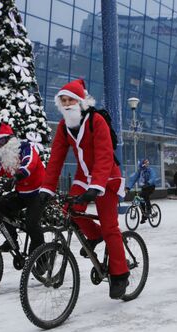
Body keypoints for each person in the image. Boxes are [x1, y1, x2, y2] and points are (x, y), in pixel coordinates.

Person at [37, 79, 129, 299]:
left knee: (110, 226)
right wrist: (46, 189)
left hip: (107, 177)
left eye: (71, 100)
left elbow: (105, 155)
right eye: (64, 100)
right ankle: (94, 236)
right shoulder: (64, 126)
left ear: (81, 101)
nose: (67, 104)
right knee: (69, 210)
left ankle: (120, 274)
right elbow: (56, 159)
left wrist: (96, 185)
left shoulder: (96, 120)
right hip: (83, 178)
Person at [0, 123, 45, 253]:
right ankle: (12, 241)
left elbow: (30, 162)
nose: (0, 145)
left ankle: (42, 257)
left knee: (31, 223)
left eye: (2, 141)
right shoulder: (3, 158)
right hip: (21, 193)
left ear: (11, 139)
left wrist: (17, 177)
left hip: (39, 193)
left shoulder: (26, 148)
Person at [126, 159, 158, 223]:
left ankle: (149, 210)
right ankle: (144, 215)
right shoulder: (140, 171)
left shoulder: (150, 170)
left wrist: (148, 183)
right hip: (144, 187)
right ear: (142, 164)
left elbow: (153, 177)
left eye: (147, 163)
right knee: (141, 200)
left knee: (144, 196)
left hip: (151, 186)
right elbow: (133, 179)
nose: (147, 164)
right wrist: (128, 187)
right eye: (145, 163)